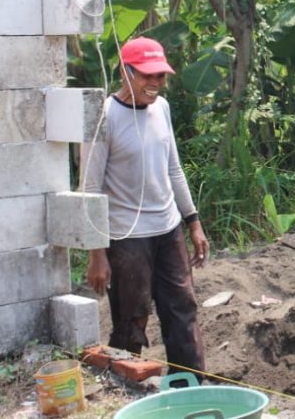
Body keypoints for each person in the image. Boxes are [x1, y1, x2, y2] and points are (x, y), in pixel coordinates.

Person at [82, 36, 209, 377]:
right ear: (126, 72)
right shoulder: (103, 118)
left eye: (160, 76)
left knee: (182, 308)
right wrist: (97, 254)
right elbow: (90, 188)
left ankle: (192, 384)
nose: (154, 83)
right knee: (132, 315)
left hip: (168, 230)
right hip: (127, 234)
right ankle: (127, 385)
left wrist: (193, 222)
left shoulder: (162, 109)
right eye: (146, 75)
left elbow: (173, 169)